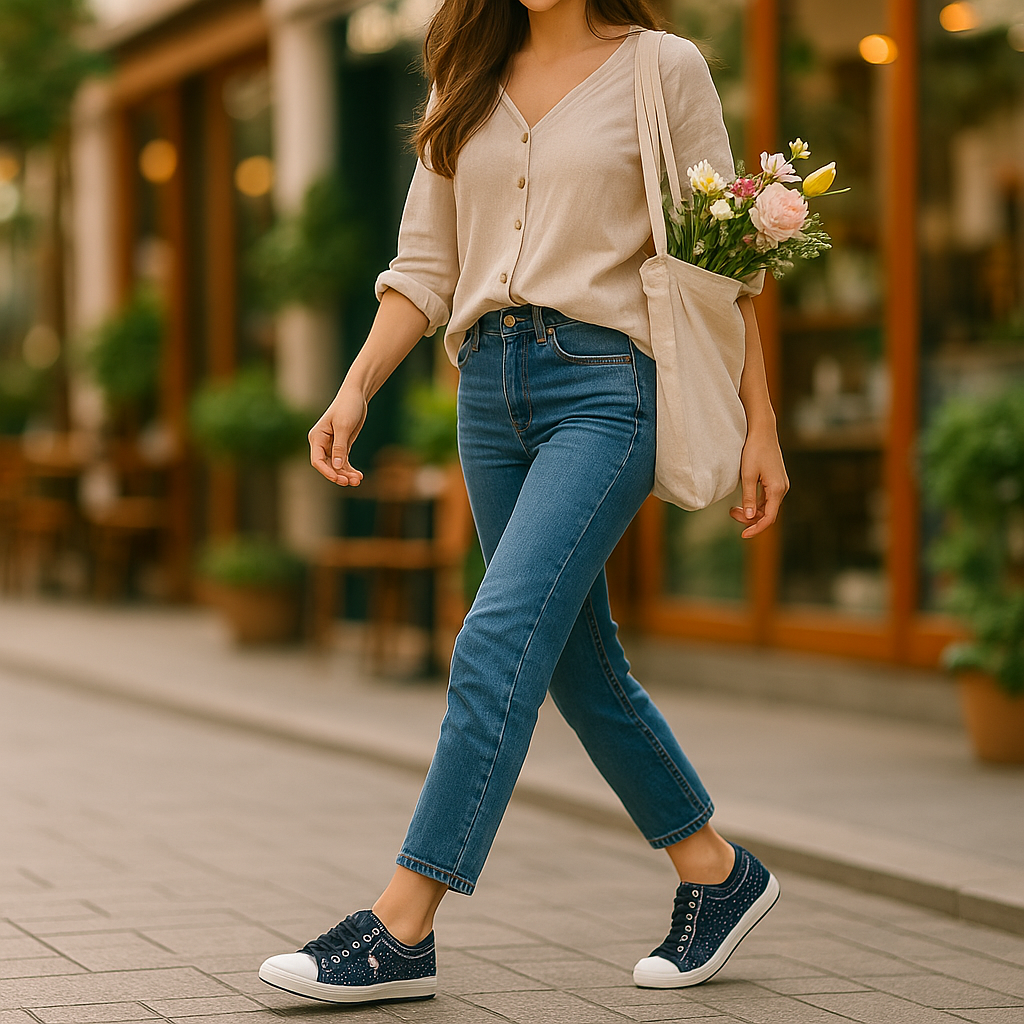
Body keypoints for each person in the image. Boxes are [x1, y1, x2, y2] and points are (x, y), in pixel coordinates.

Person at [259, 0, 790, 1005]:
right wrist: (355, 387)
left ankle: (402, 922)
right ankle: (718, 872)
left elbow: (719, 266)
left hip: (606, 385)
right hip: (487, 393)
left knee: (496, 638)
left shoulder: (660, 67)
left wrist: (758, 424)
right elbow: (424, 268)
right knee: (577, 664)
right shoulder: (465, 78)